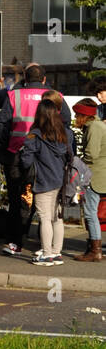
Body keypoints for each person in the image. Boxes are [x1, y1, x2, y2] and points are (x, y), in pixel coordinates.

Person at [0, 63, 71, 255]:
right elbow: (66, 125)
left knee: (17, 199)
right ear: (45, 79)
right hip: (46, 157)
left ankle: (16, 242)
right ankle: (42, 244)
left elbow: (3, 124)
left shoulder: (14, 95)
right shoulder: (56, 96)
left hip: (16, 154)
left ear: (25, 79)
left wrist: (4, 151)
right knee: (43, 201)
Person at [18, 98, 71, 265]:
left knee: (45, 217)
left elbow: (26, 161)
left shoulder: (35, 135)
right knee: (57, 217)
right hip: (60, 180)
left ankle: (47, 254)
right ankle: (56, 253)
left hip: (42, 181)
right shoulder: (63, 133)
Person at [72, 98, 105, 262]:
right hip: (99, 175)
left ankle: (95, 251)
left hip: (96, 177)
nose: (76, 117)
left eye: (78, 114)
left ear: (84, 115)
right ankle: (95, 249)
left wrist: (77, 165)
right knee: (93, 214)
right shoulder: (96, 126)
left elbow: (92, 155)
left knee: (91, 214)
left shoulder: (94, 127)